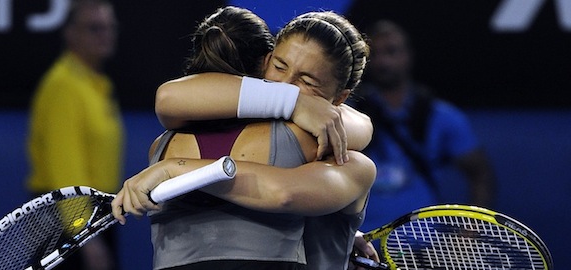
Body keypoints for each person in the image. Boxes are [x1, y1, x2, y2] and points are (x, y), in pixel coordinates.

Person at [113, 7, 378, 270]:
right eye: (279, 66)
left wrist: (173, 168)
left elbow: (284, 194)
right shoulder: (296, 136)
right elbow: (170, 98)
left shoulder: (162, 145)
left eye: (307, 81)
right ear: (265, 61)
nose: (284, 84)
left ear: (340, 99)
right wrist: (297, 102)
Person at [345, 19, 496, 246]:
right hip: (359, 246)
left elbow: (481, 174)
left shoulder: (442, 116)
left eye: (392, 51)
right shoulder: (347, 116)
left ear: (408, 56)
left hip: (422, 249)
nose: (383, 61)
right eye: (375, 54)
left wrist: (469, 233)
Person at [25, 0, 122, 269]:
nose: (106, 34)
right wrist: (85, 236)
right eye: (95, 28)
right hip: (67, 223)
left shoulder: (96, 84)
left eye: (110, 27)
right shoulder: (64, 86)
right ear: (71, 33)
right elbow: (65, 170)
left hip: (96, 215)